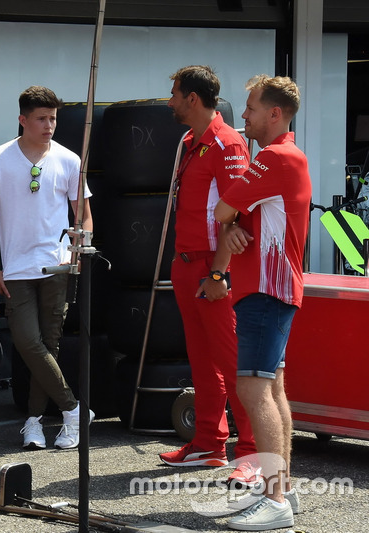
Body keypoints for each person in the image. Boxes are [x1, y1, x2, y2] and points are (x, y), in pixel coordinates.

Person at [0, 86, 94, 450]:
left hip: (57, 267)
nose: (49, 125)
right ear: (22, 119)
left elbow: (84, 214)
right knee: (28, 342)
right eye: (41, 118)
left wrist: (77, 251)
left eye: (53, 118)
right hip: (16, 269)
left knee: (48, 345)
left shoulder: (69, 159)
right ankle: (73, 410)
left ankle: (34, 421)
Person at [214, 75, 310, 531]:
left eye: (251, 108)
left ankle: (275, 501)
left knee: (254, 390)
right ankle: (281, 490)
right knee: (272, 388)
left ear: (275, 113)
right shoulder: (283, 157)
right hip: (275, 289)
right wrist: (233, 226)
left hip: (265, 291)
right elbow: (233, 219)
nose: (245, 115)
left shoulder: (273, 158)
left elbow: (220, 210)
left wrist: (230, 222)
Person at [158, 66, 258, 487]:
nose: (170, 101)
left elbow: (239, 215)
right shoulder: (189, 141)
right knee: (201, 359)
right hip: (186, 264)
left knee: (232, 361)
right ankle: (208, 442)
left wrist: (219, 272)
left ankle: (253, 453)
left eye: (175, 93)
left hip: (212, 268)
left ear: (193, 99)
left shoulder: (227, 142)